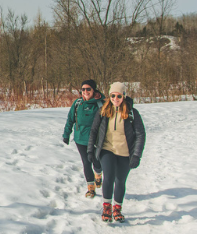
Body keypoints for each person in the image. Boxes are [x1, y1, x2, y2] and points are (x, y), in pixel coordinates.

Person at [87, 82, 146, 223]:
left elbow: (140, 135)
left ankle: (117, 208)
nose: (115, 98)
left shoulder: (132, 113)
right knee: (108, 177)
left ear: (123, 96)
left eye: (118, 96)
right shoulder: (103, 111)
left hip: (125, 153)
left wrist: (136, 155)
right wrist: (91, 150)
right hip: (107, 150)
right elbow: (94, 131)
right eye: (112, 95)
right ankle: (107, 207)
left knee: (120, 180)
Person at [62, 79, 105, 198]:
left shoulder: (99, 104)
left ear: (94, 90)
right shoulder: (77, 104)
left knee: (96, 161)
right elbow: (70, 119)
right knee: (86, 163)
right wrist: (66, 134)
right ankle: (91, 188)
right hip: (80, 139)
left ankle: (98, 174)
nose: (85, 91)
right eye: (83, 89)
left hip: (95, 140)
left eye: (88, 89)